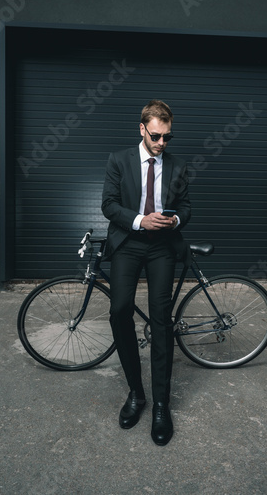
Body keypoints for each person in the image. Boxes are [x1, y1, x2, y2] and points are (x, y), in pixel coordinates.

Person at [101, 99, 191, 446]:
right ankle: (136, 393)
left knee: (160, 319)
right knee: (119, 309)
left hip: (161, 247)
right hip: (128, 242)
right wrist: (140, 220)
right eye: (156, 136)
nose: (162, 144)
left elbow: (186, 206)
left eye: (167, 138)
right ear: (142, 129)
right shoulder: (119, 160)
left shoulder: (178, 166)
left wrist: (175, 219)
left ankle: (160, 405)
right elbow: (108, 204)